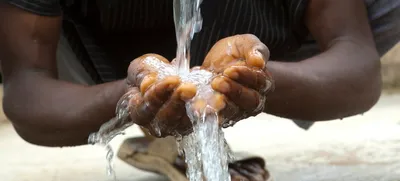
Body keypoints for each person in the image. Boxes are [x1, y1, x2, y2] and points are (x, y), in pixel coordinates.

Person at [0, 0, 399, 180]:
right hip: (90, 57)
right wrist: (128, 97)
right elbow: (29, 89)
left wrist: (260, 79)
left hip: (276, 39)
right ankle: (162, 125)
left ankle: (182, 122)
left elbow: (356, 64)